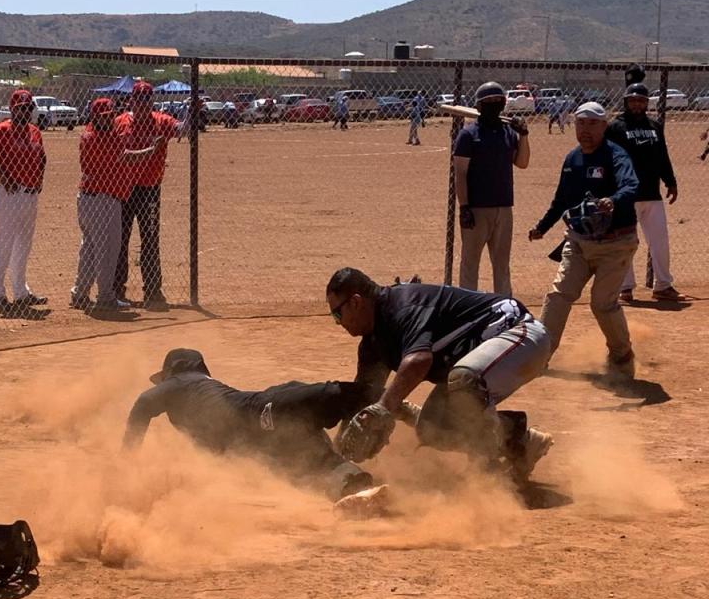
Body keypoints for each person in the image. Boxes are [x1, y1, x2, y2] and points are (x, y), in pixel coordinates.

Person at [325, 267, 553, 488]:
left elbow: (419, 361)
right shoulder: (373, 344)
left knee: (464, 378)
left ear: (355, 302)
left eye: (338, 313)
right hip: (483, 363)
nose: (338, 322)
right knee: (432, 429)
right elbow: (364, 395)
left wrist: (384, 408)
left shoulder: (402, 306)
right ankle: (518, 440)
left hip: (521, 335)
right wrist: (341, 458)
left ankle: (489, 473)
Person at [123, 348, 377, 502]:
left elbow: (143, 403)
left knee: (330, 396)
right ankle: (356, 486)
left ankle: (396, 405)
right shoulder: (200, 391)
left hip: (261, 412)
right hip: (259, 435)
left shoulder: (183, 380)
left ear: (172, 372)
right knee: (305, 465)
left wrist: (128, 457)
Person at [528, 102, 640, 379]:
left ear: (604, 126)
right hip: (579, 241)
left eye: (592, 124)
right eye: (581, 123)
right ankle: (540, 355)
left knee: (602, 303)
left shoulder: (616, 155)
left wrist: (611, 201)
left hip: (616, 243)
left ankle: (622, 354)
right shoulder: (572, 159)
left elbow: (631, 185)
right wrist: (542, 227)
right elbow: (561, 200)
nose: (585, 130)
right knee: (558, 295)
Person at [71, 98, 161, 313]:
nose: (110, 119)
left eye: (111, 116)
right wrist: (150, 151)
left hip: (90, 200)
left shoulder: (102, 135)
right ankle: (105, 297)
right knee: (107, 251)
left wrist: (146, 149)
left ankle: (80, 293)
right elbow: (125, 158)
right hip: (103, 200)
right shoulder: (94, 138)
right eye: (104, 117)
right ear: (94, 118)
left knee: (89, 250)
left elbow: (124, 151)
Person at [605, 83, 686, 303]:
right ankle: (625, 288)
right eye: (633, 100)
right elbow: (608, 160)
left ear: (647, 103)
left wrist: (670, 181)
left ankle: (663, 286)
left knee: (660, 241)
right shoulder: (615, 127)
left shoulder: (654, 126)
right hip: (625, 195)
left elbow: (662, 155)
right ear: (626, 101)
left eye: (641, 100)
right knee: (626, 242)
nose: (637, 104)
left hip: (652, 192)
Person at [113, 81, 187, 307]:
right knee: (120, 240)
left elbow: (182, 130)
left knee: (150, 240)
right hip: (124, 189)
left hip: (150, 189)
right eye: (138, 100)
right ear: (131, 101)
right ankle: (117, 290)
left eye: (147, 100)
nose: (142, 104)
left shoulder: (161, 121)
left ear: (151, 101)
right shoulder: (120, 122)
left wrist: (191, 111)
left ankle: (153, 291)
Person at [453, 81, 531, 296]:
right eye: (488, 102)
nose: (494, 105)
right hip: (476, 208)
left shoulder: (508, 132)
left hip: (503, 207)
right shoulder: (468, 135)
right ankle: (468, 307)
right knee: (470, 263)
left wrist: (523, 135)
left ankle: (504, 306)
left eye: (498, 101)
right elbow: (460, 173)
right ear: (479, 107)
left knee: (502, 265)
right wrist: (464, 206)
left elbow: (522, 162)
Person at [0, 89, 48, 318]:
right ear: (12, 109)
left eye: (29, 108)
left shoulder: (35, 132)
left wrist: (39, 180)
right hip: (10, 194)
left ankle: (20, 292)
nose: (26, 112)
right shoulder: (1, 129)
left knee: (23, 245)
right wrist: (0, 174)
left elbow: (43, 158)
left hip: (30, 195)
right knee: (4, 245)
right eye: (21, 108)